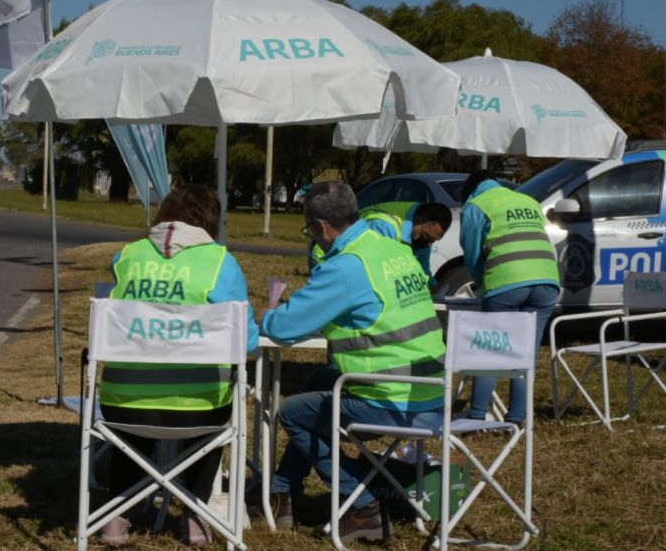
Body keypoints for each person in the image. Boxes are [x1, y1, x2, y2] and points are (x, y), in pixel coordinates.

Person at [260, 182, 446, 542]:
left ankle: (362, 504)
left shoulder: (346, 267)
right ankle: (283, 490)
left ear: (321, 227)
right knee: (317, 382)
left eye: (309, 231)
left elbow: (284, 327)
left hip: (390, 400)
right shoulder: (393, 249)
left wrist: (266, 317)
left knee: (293, 414)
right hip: (431, 392)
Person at [99, 185, 259, 548]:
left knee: (131, 434)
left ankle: (115, 516)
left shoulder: (127, 256)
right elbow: (246, 342)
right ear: (211, 222)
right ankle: (194, 515)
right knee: (210, 426)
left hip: (123, 402)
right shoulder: (220, 263)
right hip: (197, 407)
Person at [459, 170, 560, 425]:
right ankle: (516, 418)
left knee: (491, 349)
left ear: (471, 190)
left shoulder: (476, 205)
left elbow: (471, 254)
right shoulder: (528, 201)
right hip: (547, 279)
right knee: (526, 353)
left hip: (506, 281)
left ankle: (477, 416)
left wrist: (482, 283)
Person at [309, 202, 452, 291]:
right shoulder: (385, 227)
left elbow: (422, 266)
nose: (429, 245)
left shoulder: (422, 233)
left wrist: (433, 286)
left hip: (351, 265)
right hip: (327, 256)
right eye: (427, 238)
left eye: (435, 240)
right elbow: (373, 270)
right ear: (418, 220)